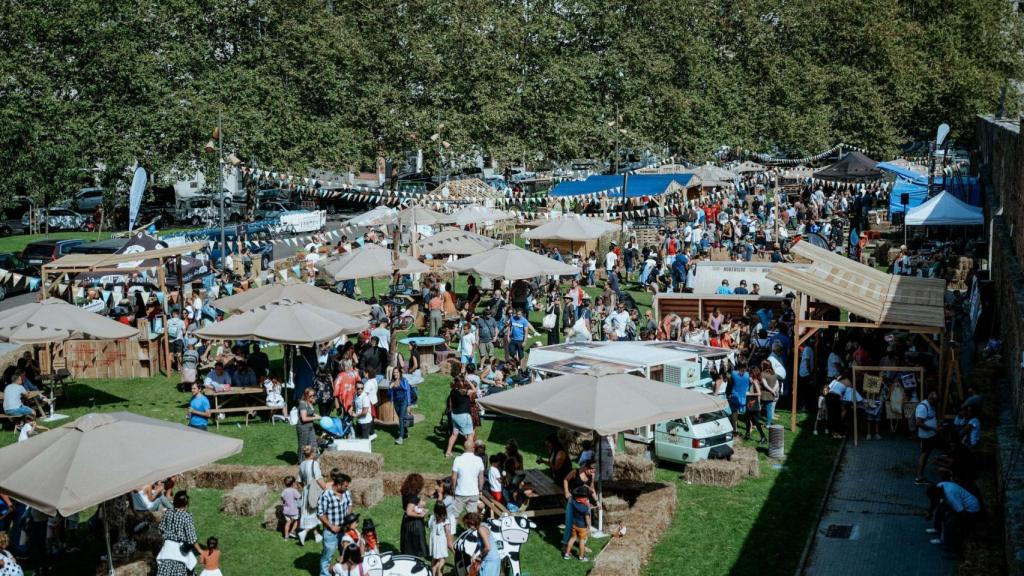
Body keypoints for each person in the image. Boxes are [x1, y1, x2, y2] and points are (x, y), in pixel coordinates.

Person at [926, 479, 981, 550]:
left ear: (938, 495)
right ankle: (937, 528)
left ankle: (947, 542)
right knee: (941, 509)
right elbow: (933, 501)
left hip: (971, 510)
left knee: (949, 521)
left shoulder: (950, 496)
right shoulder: (940, 485)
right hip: (963, 504)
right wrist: (929, 512)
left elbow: (961, 512)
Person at [317, 471, 353, 576]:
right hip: (330, 533)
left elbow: (350, 504)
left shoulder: (346, 492)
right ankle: (324, 574)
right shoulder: (326, 495)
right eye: (345, 486)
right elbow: (320, 513)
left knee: (346, 553)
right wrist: (332, 526)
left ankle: (344, 572)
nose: (347, 488)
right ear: (338, 485)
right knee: (327, 556)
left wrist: (348, 520)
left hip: (344, 531)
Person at [156, 491, 198, 576]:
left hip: (167, 550)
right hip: (179, 552)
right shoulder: (186, 516)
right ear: (186, 504)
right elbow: (191, 538)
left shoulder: (167, 513)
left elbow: (161, 529)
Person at [298, 445, 326, 546]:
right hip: (314, 492)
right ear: (313, 453)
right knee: (315, 512)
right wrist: (326, 489)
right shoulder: (314, 464)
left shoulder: (301, 464)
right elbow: (319, 479)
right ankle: (304, 532)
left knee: (309, 513)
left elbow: (299, 481)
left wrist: (305, 488)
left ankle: (316, 534)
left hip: (306, 491)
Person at [451, 438, 485, 517]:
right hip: (473, 493)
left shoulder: (458, 459)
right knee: (472, 517)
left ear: (464, 448)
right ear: (473, 448)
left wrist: (453, 488)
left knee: (454, 516)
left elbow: (453, 477)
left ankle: (452, 529)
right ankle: (472, 529)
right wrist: (480, 490)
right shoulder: (479, 460)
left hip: (460, 492)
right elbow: (481, 478)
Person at [445, 379, 476, 457]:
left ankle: (448, 452)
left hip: (455, 415)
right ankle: (469, 454)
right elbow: (474, 390)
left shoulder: (452, 391)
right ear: (460, 384)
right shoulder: (463, 392)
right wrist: (469, 381)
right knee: (470, 435)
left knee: (454, 434)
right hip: (464, 415)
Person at [399, 473, 428, 558]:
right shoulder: (413, 497)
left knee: (408, 543)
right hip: (413, 524)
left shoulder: (406, 493)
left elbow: (409, 507)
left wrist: (419, 506)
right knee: (414, 545)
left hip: (407, 522)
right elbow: (409, 512)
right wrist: (421, 515)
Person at [915, 391, 939, 484]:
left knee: (926, 454)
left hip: (931, 435)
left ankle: (920, 474)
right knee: (924, 455)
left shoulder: (932, 405)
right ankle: (919, 477)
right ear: (930, 399)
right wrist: (932, 428)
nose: (936, 404)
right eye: (935, 401)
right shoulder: (922, 407)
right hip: (925, 436)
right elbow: (918, 423)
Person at [563, 486, 592, 562]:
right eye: (586, 497)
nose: (587, 499)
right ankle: (581, 557)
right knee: (582, 541)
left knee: (572, 538)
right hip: (582, 527)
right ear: (584, 497)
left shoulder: (574, 502)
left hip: (574, 525)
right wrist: (589, 526)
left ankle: (567, 554)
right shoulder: (585, 508)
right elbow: (587, 518)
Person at [428, 501, 453, 576]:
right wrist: (450, 543)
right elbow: (448, 533)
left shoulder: (432, 518)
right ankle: (439, 572)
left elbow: (430, 527)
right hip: (441, 541)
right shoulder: (445, 521)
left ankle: (433, 574)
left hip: (433, 540)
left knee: (434, 559)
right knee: (442, 559)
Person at [727, 362, 750, 434]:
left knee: (734, 413)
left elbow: (730, 383)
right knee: (746, 415)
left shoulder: (733, 373)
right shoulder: (747, 374)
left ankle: (735, 429)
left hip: (735, 396)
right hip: (744, 396)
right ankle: (748, 430)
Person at [297, 388, 318, 457]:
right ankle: (301, 462)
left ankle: (312, 461)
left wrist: (322, 418)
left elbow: (313, 414)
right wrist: (315, 418)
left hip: (310, 427)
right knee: (303, 446)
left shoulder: (310, 403)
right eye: (310, 396)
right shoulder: (303, 404)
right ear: (306, 395)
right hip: (303, 427)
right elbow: (304, 418)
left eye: (313, 395)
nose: (312, 397)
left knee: (313, 444)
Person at [281, 476, 302, 540]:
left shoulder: (284, 491)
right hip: (293, 510)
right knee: (297, 520)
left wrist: (285, 501)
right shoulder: (294, 490)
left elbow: (282, 497)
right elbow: (299, 497)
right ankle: (292, 531)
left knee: (288, 523)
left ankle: (286, 537)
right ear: (293, 483)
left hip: (286, 511)